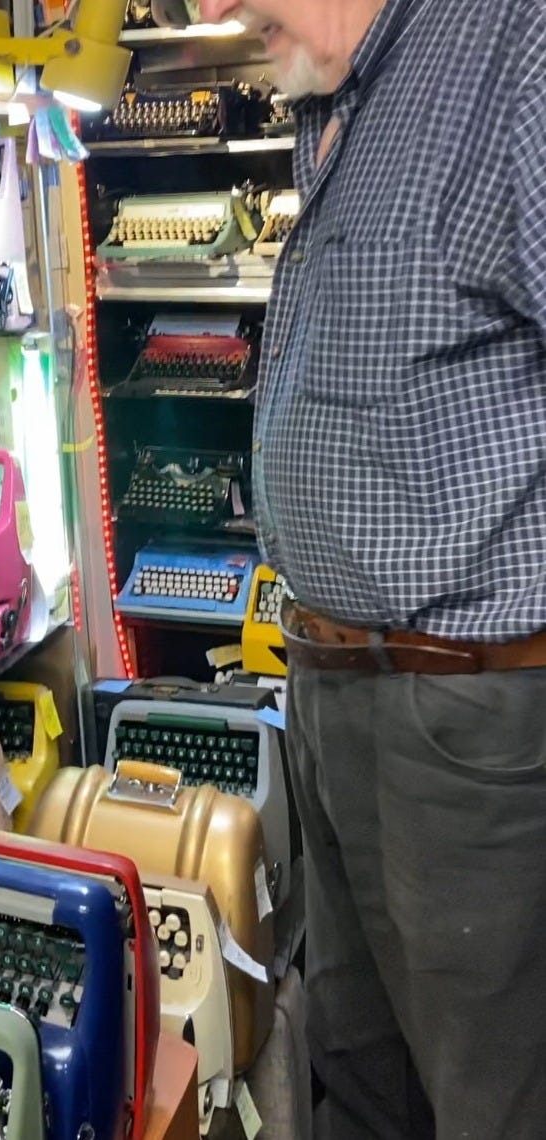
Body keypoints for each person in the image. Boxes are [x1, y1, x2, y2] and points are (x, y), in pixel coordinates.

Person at [194, 0, 546, 1137]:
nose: (207, 11)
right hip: (339, 695)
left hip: (469, 716)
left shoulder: (509, 50)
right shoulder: (336, 92)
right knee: (357, 1073)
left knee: (492, 1098)